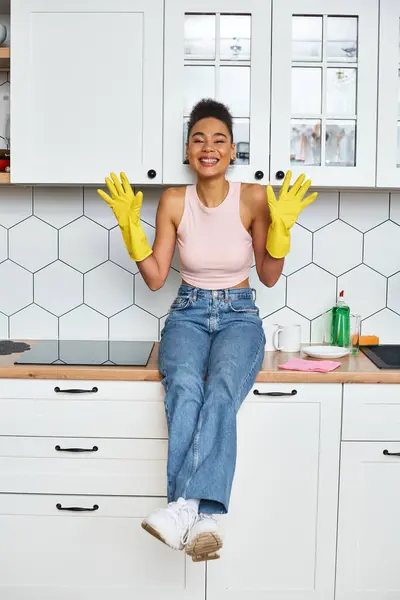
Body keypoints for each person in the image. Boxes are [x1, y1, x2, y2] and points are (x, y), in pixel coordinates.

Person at [97, 98, 317, 563]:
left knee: (220, 389)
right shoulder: (174, 200)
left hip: (239, 315)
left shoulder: (254, 198)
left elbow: (269, 275)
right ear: (187, 150)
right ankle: (204, 518)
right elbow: (157, 278)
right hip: (188, 312)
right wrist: (131, 232)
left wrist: (281, 234)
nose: (208, 146)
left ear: (232, 150)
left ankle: (184, 507)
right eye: (198, 139)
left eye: (219, 139)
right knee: (182, 386)